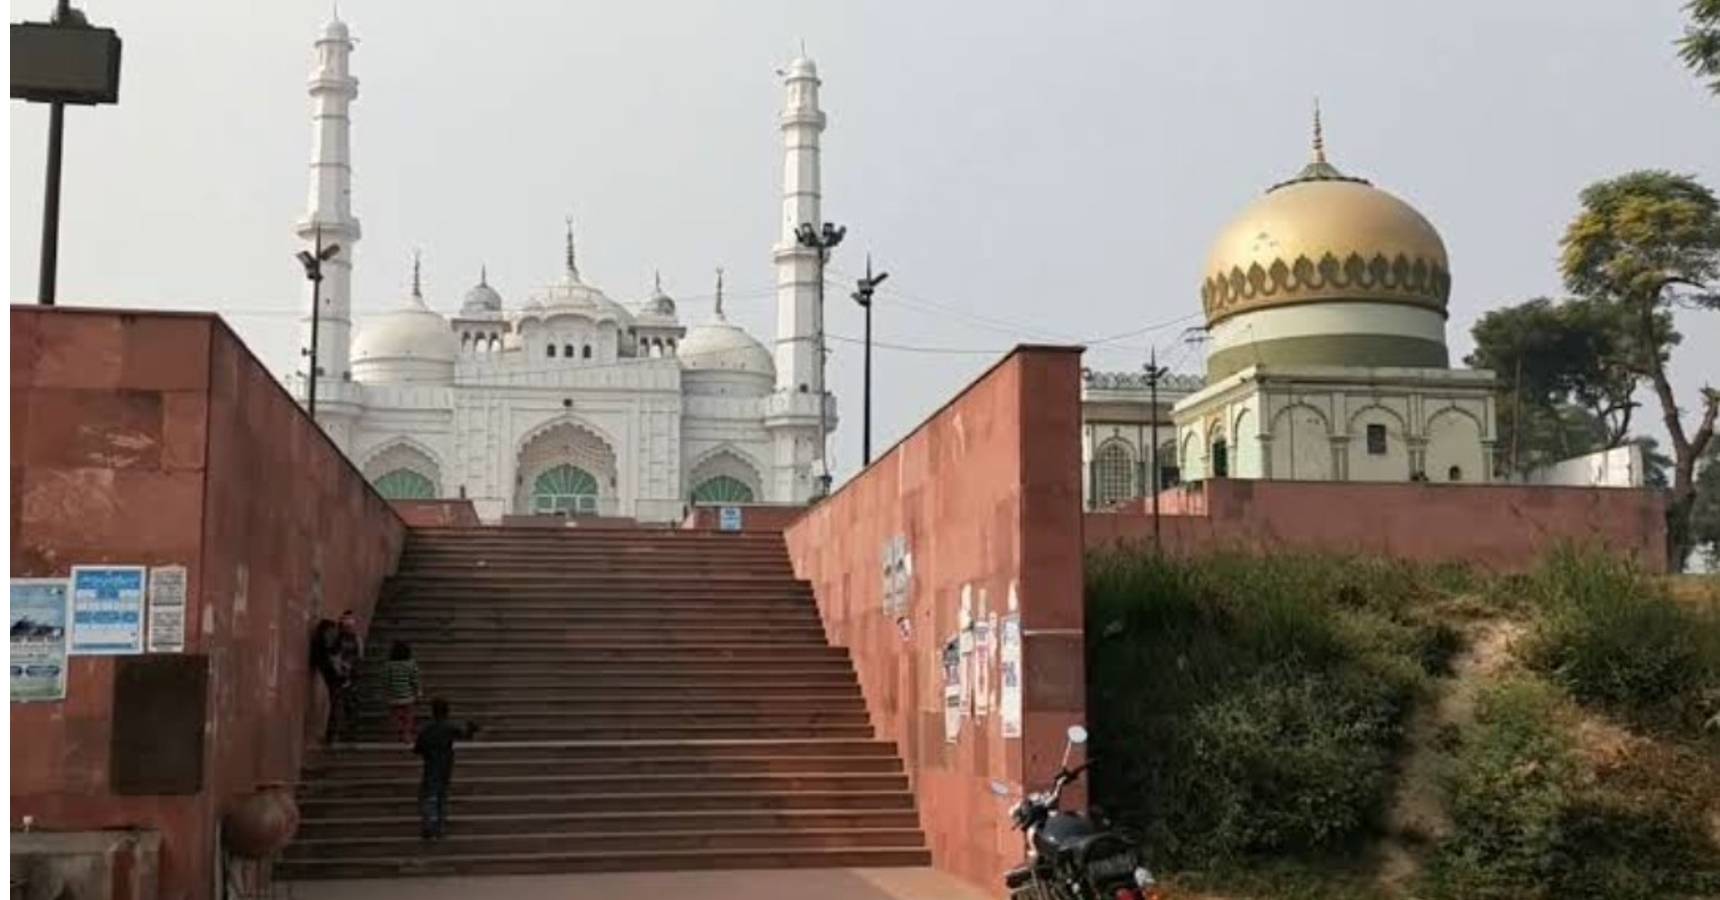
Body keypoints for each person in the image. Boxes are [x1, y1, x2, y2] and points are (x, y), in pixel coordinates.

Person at [413, 698, 480, 839]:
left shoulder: (427, 729)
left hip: (431, 765)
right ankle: (439, 827)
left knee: (429, 796)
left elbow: (417, 749)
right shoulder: (449, 728)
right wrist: (472, 729)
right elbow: (465, 735)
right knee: (441, 797)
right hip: (445, 766)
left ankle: (429, 824)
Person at [309, 619, 351, 744]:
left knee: (338, 706)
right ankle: (332, 735)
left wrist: (343, 670)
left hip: (336, 677)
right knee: (336, 705)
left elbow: (338, 660)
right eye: (329, 632)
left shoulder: (333, 645)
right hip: (333, 677)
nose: (332, 634)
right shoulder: (322, 647)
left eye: (333, 632)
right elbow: (331, 662)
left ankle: (333, 735)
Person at [383, 641, 422, 745]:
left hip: (394, 695)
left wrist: (387, 692)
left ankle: (400, 730)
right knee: (409, 716)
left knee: (397, 715)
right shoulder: (411, 664)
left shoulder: (388, 665)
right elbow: (415, 679)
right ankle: (406, 734)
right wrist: (418, 692)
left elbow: (386, 680)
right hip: (408, 695)